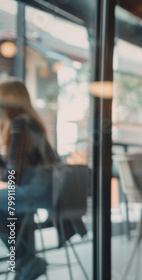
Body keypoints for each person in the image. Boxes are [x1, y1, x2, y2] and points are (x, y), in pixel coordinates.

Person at [0, 78, 59, 280]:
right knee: (9, 209)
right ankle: (23, 264)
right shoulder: (31, 122)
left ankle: (25, 260)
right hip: (49, 190)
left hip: (36, 191)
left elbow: (12, 175)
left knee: (4, 202)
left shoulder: (19, 123)